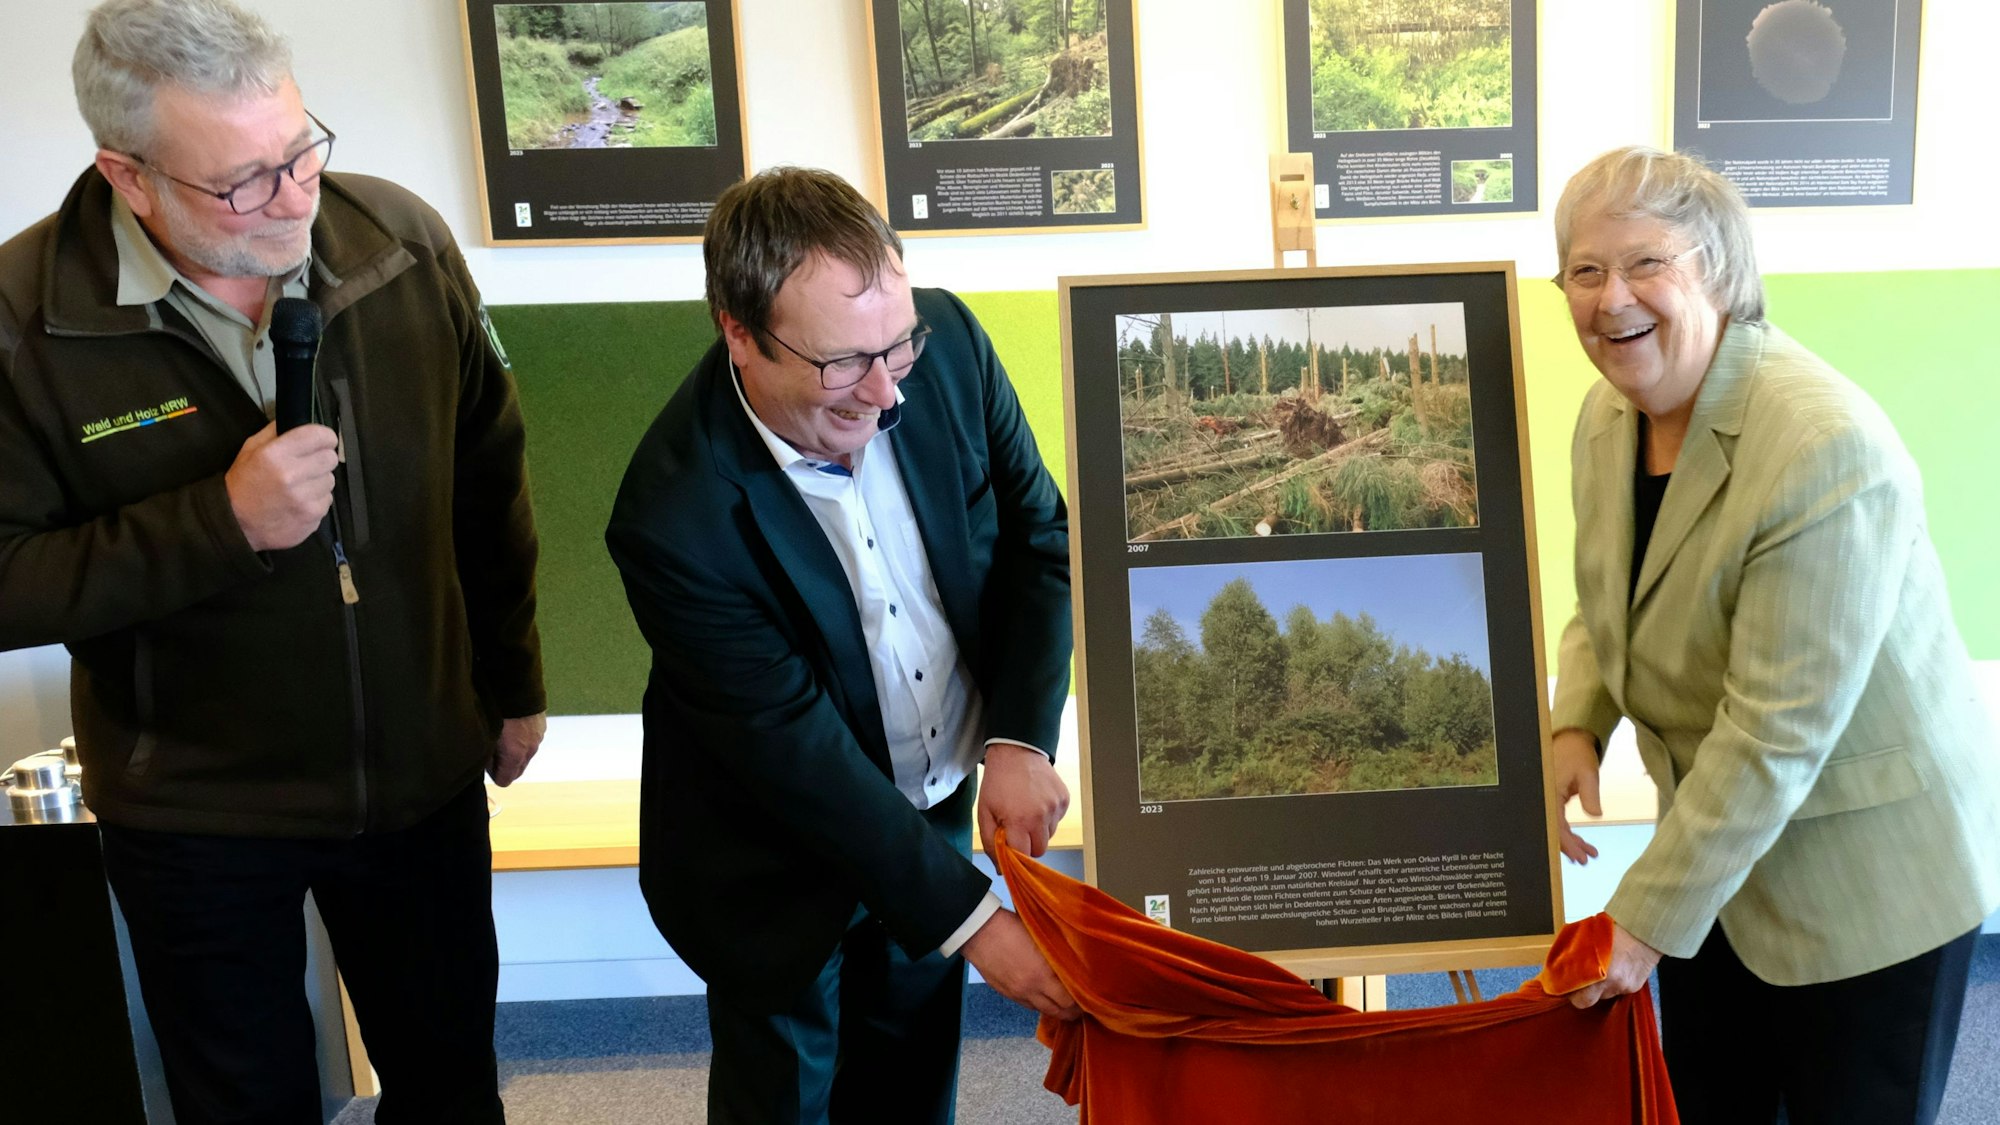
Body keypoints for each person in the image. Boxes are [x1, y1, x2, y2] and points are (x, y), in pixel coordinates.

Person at [0, 1, 545, 1120]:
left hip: (416, 779)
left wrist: (512, 681)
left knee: (452, 1093)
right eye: (243, 181)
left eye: (300, 150)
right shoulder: (21, 320)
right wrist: (221, 524)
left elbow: (487, 478)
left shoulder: (400, 243)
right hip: (197, 815)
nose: (294, 197)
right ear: (129, 175)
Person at [605, 166, 1079, 1124]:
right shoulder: (673, 513)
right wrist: (976, 921)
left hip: (933, 805)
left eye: (895, 347)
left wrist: (1021, 736)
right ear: (738, 333)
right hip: (769, 858)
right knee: (784, 1096)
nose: (884, 392)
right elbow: (795, 752)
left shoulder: (944, 352)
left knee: (909, 1094)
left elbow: (1039, 537)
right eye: (839, 366)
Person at [1547, 145, 2000, 1124]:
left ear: (1713, 269)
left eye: (1643, 264)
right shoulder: (1604, 416)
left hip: (1869, 881)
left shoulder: (1820, 446)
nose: (1608, 298)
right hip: (1714, 859)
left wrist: (1636, 924)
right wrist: (1572, 724)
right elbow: (1600, 593)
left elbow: (1772, 733)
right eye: (1582, 270)